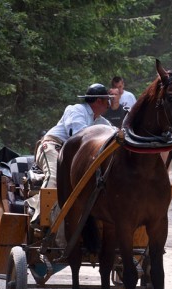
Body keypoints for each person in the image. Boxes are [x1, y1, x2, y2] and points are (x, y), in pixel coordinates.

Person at [27, 83, 113, 222]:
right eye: (107, 99)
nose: (109, 103)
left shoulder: (101, 121)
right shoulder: (76, 110)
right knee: (54, 176)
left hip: (73, 156)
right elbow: (78, 135)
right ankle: (42, 217)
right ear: (99, 101)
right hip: (53, 146)